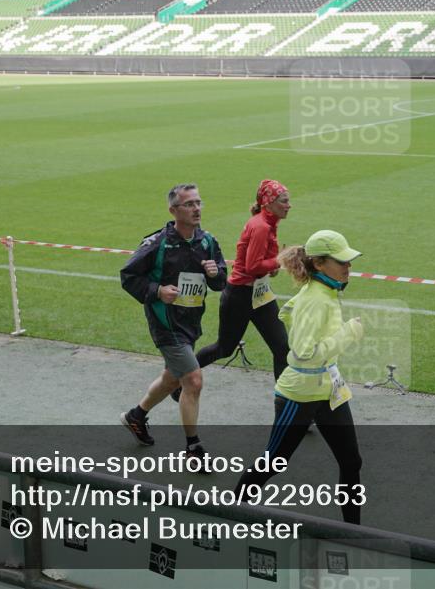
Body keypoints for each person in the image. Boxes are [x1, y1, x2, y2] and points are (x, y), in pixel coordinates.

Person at [237, 230, 364, 524]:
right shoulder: (317, 299)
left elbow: (288, 313)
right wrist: (348, 334)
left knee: (351, 461)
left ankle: (353, 533)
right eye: (341, 261)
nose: (348, 266)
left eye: (349, 261)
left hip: (328, 391)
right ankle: (229, 514)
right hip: (299, 395)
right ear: (319, 264)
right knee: (273, 462)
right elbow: (305, 354)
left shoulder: (323, 291)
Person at [119, 183, 226, 462]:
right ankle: (193, 448)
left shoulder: (207, 241)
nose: (196, 209)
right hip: (165, 323)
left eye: (198, 203)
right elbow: (128, 276)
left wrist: (215, 274)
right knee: (192, 379)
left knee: (172, 378)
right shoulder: (157, 243)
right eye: (189, 204)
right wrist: (157, 291)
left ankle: (136, 416)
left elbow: (221, 281)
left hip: (191, 322)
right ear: (173, 210)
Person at [172, 180, 291, 402]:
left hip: (259, 295)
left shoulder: (268, 223)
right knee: (224, 348)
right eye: (284, 201)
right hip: (239, 297)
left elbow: (258, 265)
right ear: (269, 203)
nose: (289, 205)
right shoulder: (261, 226)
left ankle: (285, 403)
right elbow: (253, 266)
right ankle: (178, 381)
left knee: (282, 348)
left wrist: (273, 266)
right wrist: (279, 261)